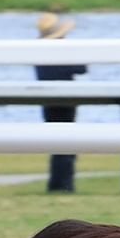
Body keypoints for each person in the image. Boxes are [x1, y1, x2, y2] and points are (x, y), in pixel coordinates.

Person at [34, 10, 86, 194]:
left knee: (56, 143)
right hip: (66, 100)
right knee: (67, 143)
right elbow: (81, 68)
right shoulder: (61, 51)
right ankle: (65, 184)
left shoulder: (38, 51)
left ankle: (56, 183)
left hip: (47, 101)